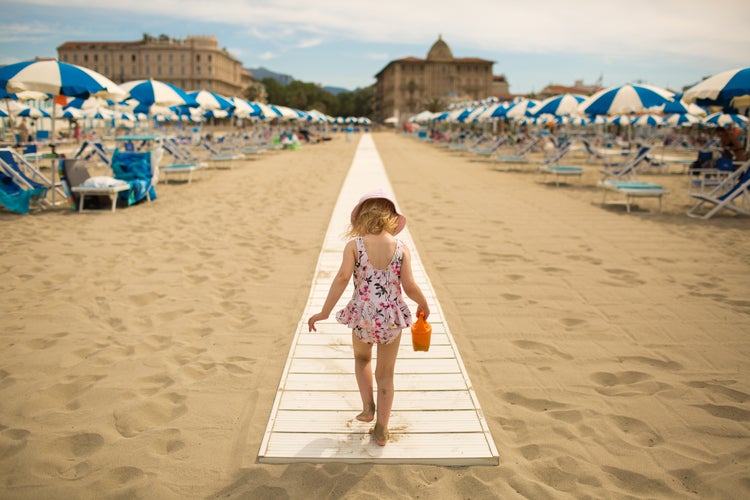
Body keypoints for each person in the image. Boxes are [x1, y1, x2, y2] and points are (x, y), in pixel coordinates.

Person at [307, 190, 430, 446]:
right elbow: (409, 285)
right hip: (391, 319)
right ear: (392, 219)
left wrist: (325, 312)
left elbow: (342, 278)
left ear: (361, 218)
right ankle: (382, 429)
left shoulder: (355, 246)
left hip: (362, 317)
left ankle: (368, 407)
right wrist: (423, 304)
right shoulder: (401, 248)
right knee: (386, 375)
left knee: (362, 359)